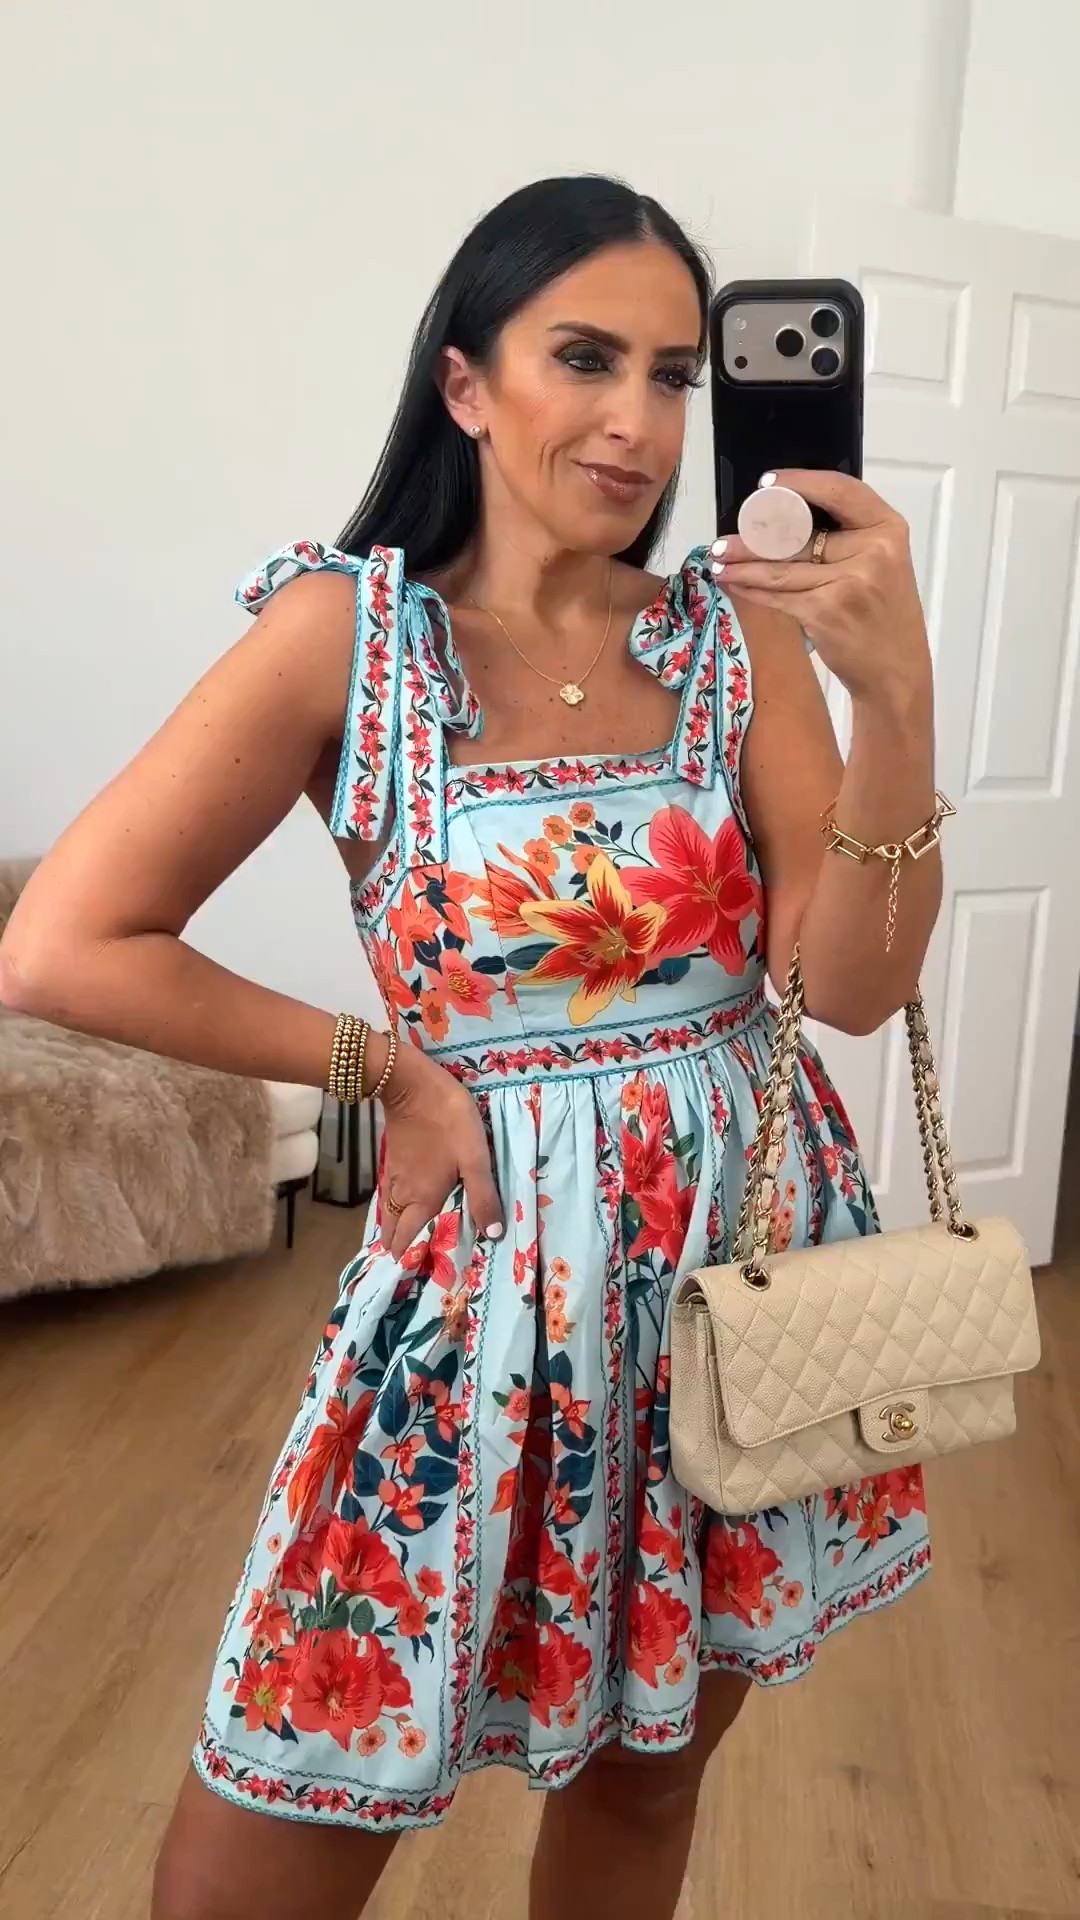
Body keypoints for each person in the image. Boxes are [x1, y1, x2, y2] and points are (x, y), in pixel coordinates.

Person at [0, 175, 941, 1920]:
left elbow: (860, 984)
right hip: (484, 1290)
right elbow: (62, 946)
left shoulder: (734, 637)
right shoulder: (351, 638)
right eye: (585, 357)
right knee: (256, 1849)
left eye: (675, 375)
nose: (638, 420)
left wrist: (897, 698)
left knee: (650, 1783)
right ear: (465, 383)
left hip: (736, 1264)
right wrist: (387, 1069)